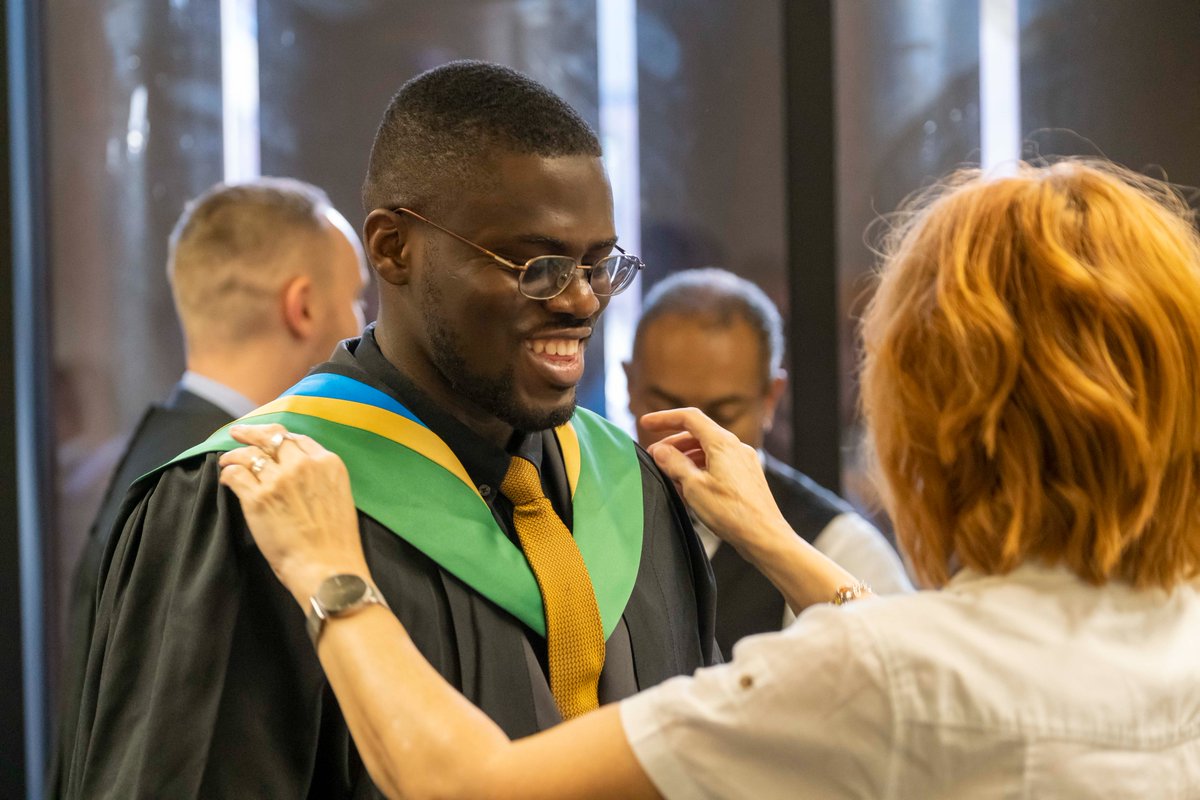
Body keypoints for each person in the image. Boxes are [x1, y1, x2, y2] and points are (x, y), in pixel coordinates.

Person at [221, 159, 1200, 798]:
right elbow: (960, 667)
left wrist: (331, 575)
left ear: (935, 416)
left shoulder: (879, 678)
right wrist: (780, 543)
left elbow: (469, 785)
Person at [65, 61, 717, 798]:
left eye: (601, 266)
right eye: (538, 266)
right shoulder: (247, 503)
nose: (581, 302)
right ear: (393, 248)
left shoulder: (632, 487)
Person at [50, 177, 366, 797]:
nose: (362, 326)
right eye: (357, 299)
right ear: (300, 306)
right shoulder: (223, 490)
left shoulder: (156, 451)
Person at [626, 268, 911, 652]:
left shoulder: (838, 545)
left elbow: (901, 672)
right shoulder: (579, 506)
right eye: (664, 409)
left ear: (771, 398)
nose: (690, 439)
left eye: (723, 415)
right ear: (629, 386)